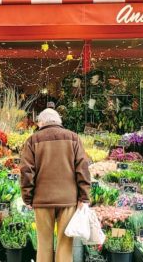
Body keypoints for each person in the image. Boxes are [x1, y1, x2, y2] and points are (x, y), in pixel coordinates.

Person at [20, 108, 91, 262]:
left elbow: (26, 172)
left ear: (41, 122)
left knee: (44, 243)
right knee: (65, 244)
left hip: (42, 200)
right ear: (59, 121)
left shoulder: (33, 140)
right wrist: (84, 196)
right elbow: (82, 168)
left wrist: (27, 198)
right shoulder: (73, 138)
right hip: (68, 200)